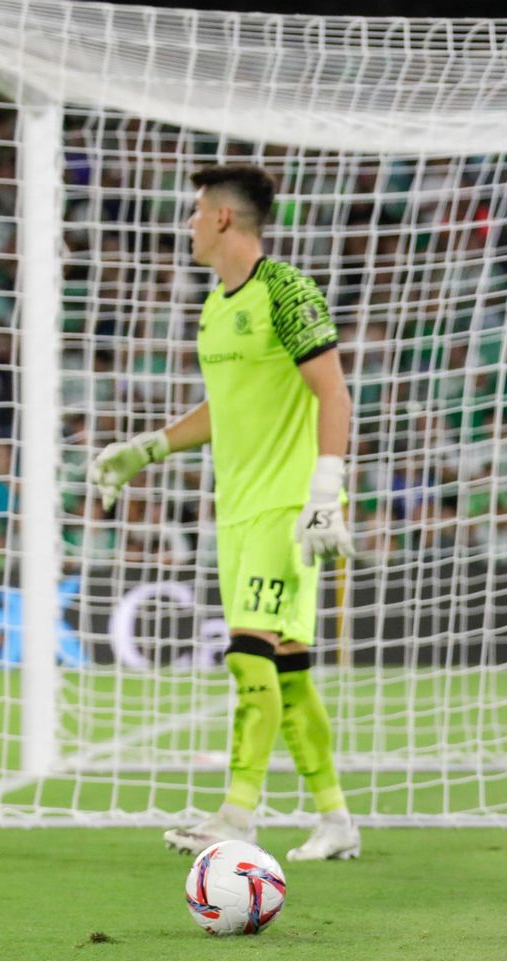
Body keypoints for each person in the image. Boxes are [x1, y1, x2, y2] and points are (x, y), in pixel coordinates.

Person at [89, 164, 360, 861]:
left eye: (194, 210)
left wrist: (326, 493)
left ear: (222, 219)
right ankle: (335, 819)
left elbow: (334, 393)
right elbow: (225, 406)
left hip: (290, 505)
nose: (186, 223)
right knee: (289, 668)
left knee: (248, 657)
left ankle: (236, 815)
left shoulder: (287, 290)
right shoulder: (217, 304)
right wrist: (145, 449)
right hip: (236, 509)